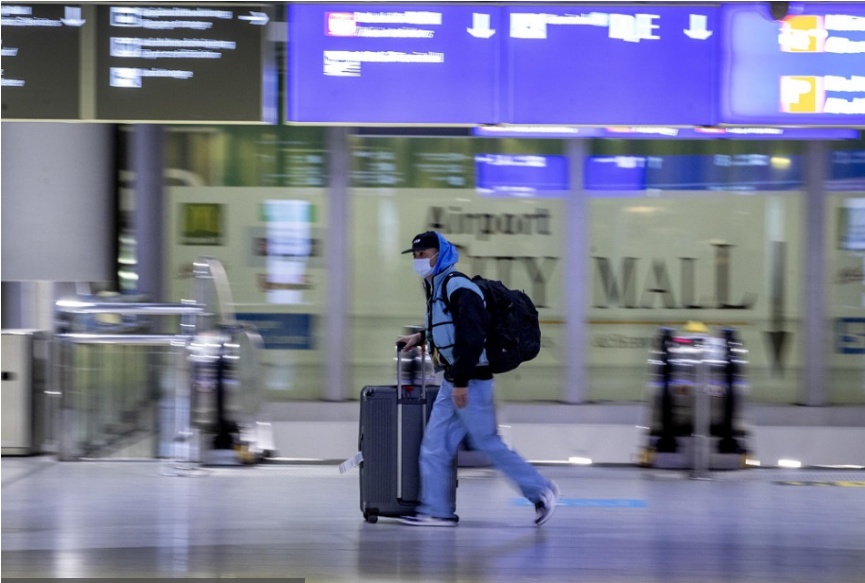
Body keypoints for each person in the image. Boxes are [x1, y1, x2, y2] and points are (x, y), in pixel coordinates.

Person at [397, 231, 560, 527]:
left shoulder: (457, 285)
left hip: (470, 380)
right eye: (416, 256)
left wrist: (461, 382)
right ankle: (436, 511)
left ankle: (541, 489)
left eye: (424, 254)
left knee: (487, 443)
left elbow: (472, 334)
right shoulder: (436, 288)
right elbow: (449, 326)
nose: (419, 260)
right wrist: (420, 337)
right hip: (455, 378)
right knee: (435, 445)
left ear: (441, 254)